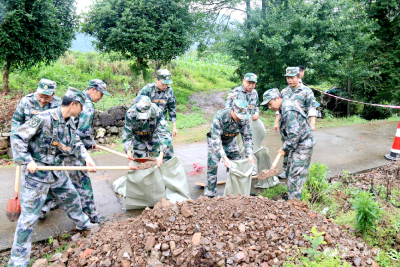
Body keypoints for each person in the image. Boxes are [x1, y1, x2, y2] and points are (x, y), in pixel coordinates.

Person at [8, 88, 97, 267]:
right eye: (81, 107)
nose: (82, 110)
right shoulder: (43, 118)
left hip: (56, 173)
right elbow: (17, 136)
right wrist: (27, 160)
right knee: (28, 220)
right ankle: (17, 262)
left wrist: (87, 158)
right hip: (37, 176)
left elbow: (76, 142)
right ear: (74, 104)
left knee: (72, 197)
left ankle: (84, 224)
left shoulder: (70, 121)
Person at [61, 79, 111, 224]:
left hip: (68, 147)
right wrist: (88, 147)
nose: (100, 98)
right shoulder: (86, 105)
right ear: (93, 89)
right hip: (76, 151)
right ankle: (91, 216)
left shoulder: (75, 99)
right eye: (101, 94)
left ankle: (80, 213)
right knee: (83, 183)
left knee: (75, 181)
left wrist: (92, 143)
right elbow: (82, 132)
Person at [11, 79, 62, 217]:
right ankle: (34, 206)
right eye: (40, 96)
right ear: (37, 91)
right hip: (27, 146)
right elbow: (16, 122)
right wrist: (18, 143)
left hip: (48, 148)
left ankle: (47, 202)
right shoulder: (25, 101)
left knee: (50, 177)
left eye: (47, 97)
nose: (42, 100)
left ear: (53, 94)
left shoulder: (58, 104)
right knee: (29, 177)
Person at [260, 88, 315, 200]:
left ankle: (294, 204)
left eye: (270, 104)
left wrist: (284, 148)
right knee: (290, 170)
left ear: (277, 98)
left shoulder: (288, 110)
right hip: (296, 144)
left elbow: (295, 134)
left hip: (303, 145)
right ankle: (291, 197)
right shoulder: (285, 105)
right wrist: (286, 147)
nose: (270, 107)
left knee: (296, 175)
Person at [204, 100, 254, 198]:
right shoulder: (220, 116)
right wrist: (224, 157)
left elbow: (247, 137)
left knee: (236, 164)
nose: (240, 118)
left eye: (242, 116)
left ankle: (236, 192)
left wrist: (249, 154)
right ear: (232, 110)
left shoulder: (244, 118)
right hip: (215, 142)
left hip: (230, 141)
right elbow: (216, 139)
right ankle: (209, 194)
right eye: (238, 115)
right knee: (212, 166)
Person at [274, 67, 317, 179]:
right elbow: (279, 109)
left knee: (299, 148)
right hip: (287, 126)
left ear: (298, 77)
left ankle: (298, 170)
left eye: (292, 77)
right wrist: (276, 122)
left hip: (300, 126)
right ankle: (286, 170)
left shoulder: (306, 91)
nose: (290, 80)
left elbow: (312, 107)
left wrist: (312, 123)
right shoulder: (284, 92)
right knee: (286, 147)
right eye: (288, 77)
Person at [226, 73, 261, 175]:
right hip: (236, 123)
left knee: (250, 143)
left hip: (248, 123)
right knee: (237, 146)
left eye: (253, 83)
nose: (251, 85)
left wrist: (256, 112)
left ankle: (251, 167)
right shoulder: (235, 92)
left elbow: (256, 106)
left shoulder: (254, 93)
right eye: (249, 83)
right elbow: (227, 108)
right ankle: (237, 168)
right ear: (243, 81)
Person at [137, 69, 176, 161]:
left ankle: (166, 167)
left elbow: (172, 109)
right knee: (147, 148)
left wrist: (174, 127)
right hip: (147, 123)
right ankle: (148, 167)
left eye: (167, 84)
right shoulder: (147, 90)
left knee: (167, 146)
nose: (165, 86)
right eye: (163, 84)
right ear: (157, 80)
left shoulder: (169, 92)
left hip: (162, 123)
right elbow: (138, 106)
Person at [122, 95, 171, 167]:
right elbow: (127, 134)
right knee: (139, 164)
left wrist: (161, 156)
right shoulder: (130, 114)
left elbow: (164, 133)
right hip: (138, 139)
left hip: (153, 137)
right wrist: (128, 152)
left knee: (156, 162)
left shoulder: (157, 112)